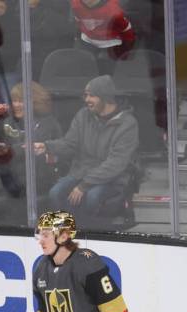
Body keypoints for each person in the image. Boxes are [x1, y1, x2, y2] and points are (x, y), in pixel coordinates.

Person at [42, 75, 138, 225]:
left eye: (91, 95)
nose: (86, 100)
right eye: (85, 95)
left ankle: (89, 232)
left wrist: (84, 185)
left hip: (113, 179)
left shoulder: (127, 124)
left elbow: (116, 163)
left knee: (92, 197)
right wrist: (47, 146)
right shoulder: (83, 115)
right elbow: (70, 144)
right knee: (56, 193)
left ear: (105, 97)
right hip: (81, 172)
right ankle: (68, 230)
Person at [0, 81, 62, 201]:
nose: (16, 105)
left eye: (21, 101)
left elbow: (30, 148)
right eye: (14, 101)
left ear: (34, 102)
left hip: (39, 180)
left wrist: (7, 150)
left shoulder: (47, 123)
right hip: (12, 178)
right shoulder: (8, 121)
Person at [71, 0, 136, 75]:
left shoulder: (114, 11)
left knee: (105, 74)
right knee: (84, 72)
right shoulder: (75, 3)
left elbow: (127, 32)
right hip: (87, 40)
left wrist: (125, 53)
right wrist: (77, 37)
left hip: (110, 44)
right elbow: (78, 20)